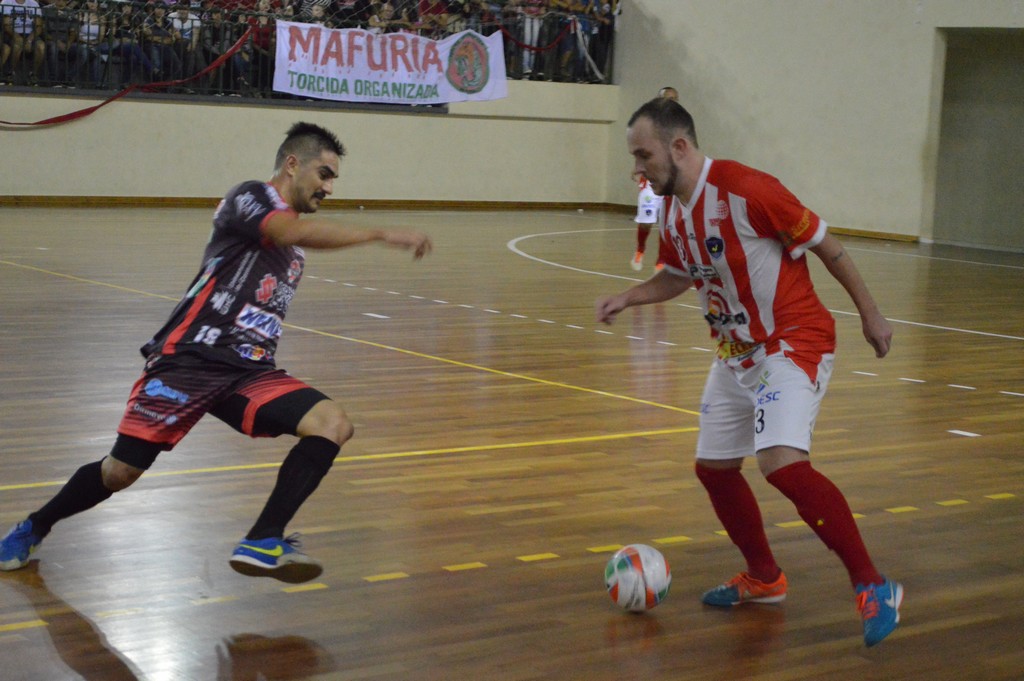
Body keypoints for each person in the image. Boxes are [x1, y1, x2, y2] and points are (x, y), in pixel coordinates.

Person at [0, 122, 433, 585]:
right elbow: (285, 231)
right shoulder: (250, 198)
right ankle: (34, 526)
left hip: (248, 371)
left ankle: (263, 538)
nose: (328, 187)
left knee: (332, 424)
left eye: (333, 179)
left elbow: (291, 243)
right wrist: (379, 233)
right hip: (190, 359)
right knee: (120, 472)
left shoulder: (296, 246)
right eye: (324, 174)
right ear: (292, 164)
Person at [596, 97, 902, 648]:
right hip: (736, 353)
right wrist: (629, 297)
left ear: (679, 147)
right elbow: (679, 277)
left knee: (781, 465)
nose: (636, 170)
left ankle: (874, 584)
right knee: (714, 469)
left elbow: (828, 248)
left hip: (793, 341)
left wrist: (871, 314)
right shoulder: (673, 209)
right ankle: (765, 577)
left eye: (644, 155)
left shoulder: (749, 190)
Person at [629, 86, 677, 272]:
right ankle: (640, 250)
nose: (671, 102)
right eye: (668, 98)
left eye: (674, 99)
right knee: (647, 221)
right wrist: (638, 166)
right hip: (651, 178)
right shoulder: (649, 122)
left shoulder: (681, 125)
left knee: (667, 222)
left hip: (670, 179)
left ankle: (661, 261)